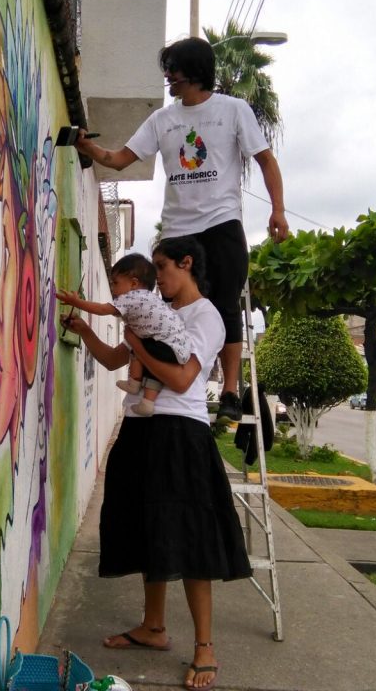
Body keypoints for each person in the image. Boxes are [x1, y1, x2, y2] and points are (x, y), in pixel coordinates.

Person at [62, 236, 252, 690]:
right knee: (151, 528)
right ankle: (153, 627)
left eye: (162, 267)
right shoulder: (151, 310)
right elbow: (114, 360)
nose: (156, 277)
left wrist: (139, 349)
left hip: (178, 434)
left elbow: (183, 378)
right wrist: (85, 328)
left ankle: (205, 646)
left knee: (189, 538)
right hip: (142, 429)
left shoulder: (206, 316)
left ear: (185, 265)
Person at [76, 35, 289, 425]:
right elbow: (120, 159)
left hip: (222, 223)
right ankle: (149, 380)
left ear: (193, 72)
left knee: (225, 305)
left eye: (172, 71)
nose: (168, 78)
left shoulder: (234, 109)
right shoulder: (163, 119)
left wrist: (277, 210)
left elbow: (265, 159)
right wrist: (89, 149)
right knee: (163, 310)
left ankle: (228, 391)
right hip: (177, 229)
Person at [58, 253, 191, 416]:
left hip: (167, 350)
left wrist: (76, 302)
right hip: (178, 348)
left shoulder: (132, 297)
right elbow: (113, 359)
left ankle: (140, 392)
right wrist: (83, 329)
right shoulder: (151, 302)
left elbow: (102, 310)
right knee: (141, 351)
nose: (112, 289)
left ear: (134, 283)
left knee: (140, 350)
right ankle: (140, 392)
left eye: (115, 283)